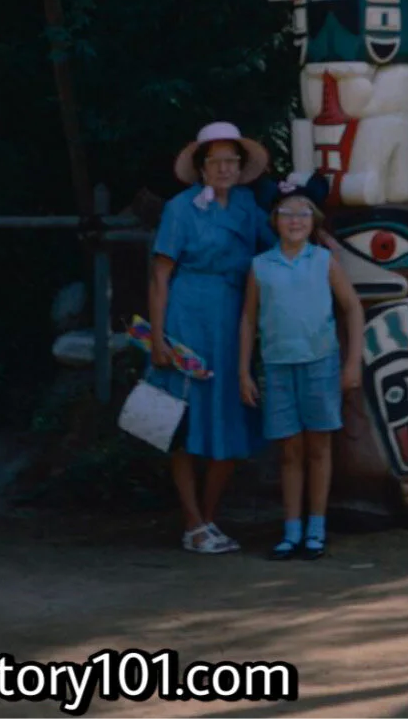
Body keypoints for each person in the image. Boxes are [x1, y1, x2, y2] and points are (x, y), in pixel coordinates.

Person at [146, 121, 277, 555]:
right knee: (182, 419)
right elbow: (161, 276)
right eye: (216, 162)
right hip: (187, 312)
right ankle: (192, 522)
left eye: (231, 161)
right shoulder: (180, 209)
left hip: (232, 317)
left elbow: (280, 241)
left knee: (229, 416)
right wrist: (159, 336)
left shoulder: (246, 207)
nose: (224, 169)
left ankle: (208, 517)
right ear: (201, 168)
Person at [238, 179, 365, 560]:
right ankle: (290, 528)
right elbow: (248, 319)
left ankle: (316, 528)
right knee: (289, 451)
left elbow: (353, 308)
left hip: (320, 363)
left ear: (314, 220)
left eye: (303, 212)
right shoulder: (261, 265)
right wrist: (244, 371)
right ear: (275, 220)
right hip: (277, 365)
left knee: (319, 447)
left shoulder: (324, 261)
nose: (295, 220)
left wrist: (352, 360)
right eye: (287, 213)